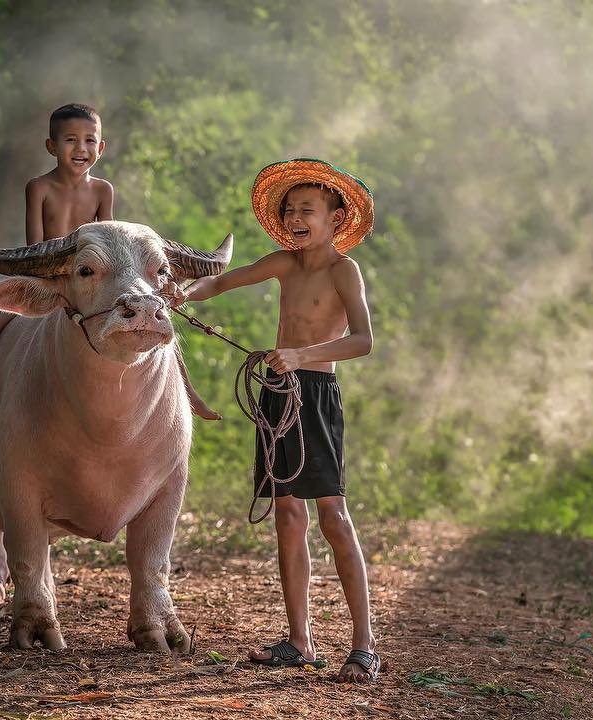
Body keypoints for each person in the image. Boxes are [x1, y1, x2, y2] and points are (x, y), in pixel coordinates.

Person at [166, 158, 380, 683]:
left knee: (332, 515)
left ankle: (364, 645)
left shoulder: (342, 270)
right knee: (288, 516)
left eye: (306, 209)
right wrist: (181, 295)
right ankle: (299, 641)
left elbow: (363, 340)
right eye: (289, 210)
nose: (295, 217)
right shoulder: (283, 263)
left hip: (314, 391)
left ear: (335, 217)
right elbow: (223, 283)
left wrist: (303, 356)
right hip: (277, 392)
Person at [0, 103, 217, 440]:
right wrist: (56, 277)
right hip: (53, 274)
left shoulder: (102, 189)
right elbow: (34, 247)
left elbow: (115, 238)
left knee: (157, 320)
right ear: (51, 146)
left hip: (100, 279)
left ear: (101, 147)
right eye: (70, 140)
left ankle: (190, 396)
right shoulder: (38, 187)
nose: (80, 149)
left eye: (89, 141)